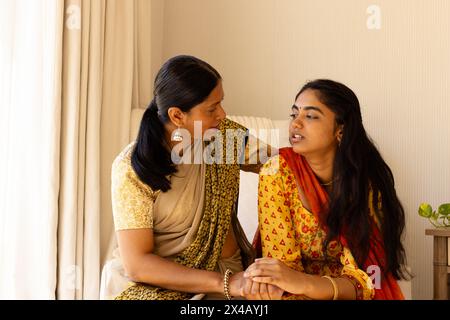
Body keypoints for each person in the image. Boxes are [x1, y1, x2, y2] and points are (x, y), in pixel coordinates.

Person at [106, 55, 280, 300]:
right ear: (177, 116)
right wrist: (226, 283)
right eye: (212, 108)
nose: (222, 113)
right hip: (162, 282)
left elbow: (280, 167)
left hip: (229, 274)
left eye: (221, 103)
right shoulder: (131, 168)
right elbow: (138, 264)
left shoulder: (220, 137)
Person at [245, 79, 409, 300]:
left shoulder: (363, 181)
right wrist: (299, 285)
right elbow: (280, 270)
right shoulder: (276, 171)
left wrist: (308, 285)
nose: (296, 123)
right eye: (294, 114)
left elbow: (369, 276)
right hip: (289, 293)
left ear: (340, 130)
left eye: (310, 116)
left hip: (346, 293)